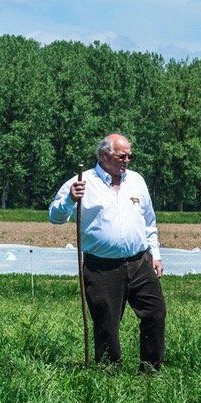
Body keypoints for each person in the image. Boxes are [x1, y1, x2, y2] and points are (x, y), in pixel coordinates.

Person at [49, 133, 166, 370]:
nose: (127, 161)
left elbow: (149, 221)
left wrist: (155, 254)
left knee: (155, 313)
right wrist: (70, 200)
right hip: (101, 267)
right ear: (104, 155)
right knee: (106, 322)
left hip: (140, 261)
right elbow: (55, 216)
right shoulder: (82, 182)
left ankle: (151, 369)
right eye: (122, 156)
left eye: (130, 156)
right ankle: (109, 373)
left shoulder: (136, 181)